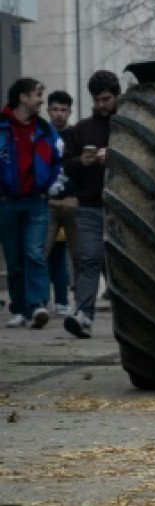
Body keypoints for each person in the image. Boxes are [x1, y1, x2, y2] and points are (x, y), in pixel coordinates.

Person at [0, 78, 62, 328]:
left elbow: (59, 159)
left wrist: (55, 183)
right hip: (6, 203)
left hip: (37, 201)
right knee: (14, 260)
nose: (41, 100)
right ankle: (19, 309)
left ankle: (37, 305)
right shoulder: (2, 128)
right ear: (22, 98)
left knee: (34, 253)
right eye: (37, 95)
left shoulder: (46, 130)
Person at [63, 70, 120, 339]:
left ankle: (131, 321)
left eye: (105, 99)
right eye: (96, 100)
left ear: (116, 96)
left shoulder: (128, 125)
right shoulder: (81, 129)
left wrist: (116, 156)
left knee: (120, 267)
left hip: (123, 210)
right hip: (90, 206)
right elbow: (63, 166)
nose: (100, 105)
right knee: (89, 260)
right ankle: (83, 315)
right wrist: (80, 163)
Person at [43, 90, 77, 316]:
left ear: (69, 112)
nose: (58, 114)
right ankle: (42, 300)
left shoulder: (75, 136)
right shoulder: (43, 135)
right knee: (44, 252)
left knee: (65, 253)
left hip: (70, 202)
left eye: (63, 110)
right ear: (48, 111)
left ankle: (63, 301)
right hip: (46, 203)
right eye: (55, 109)